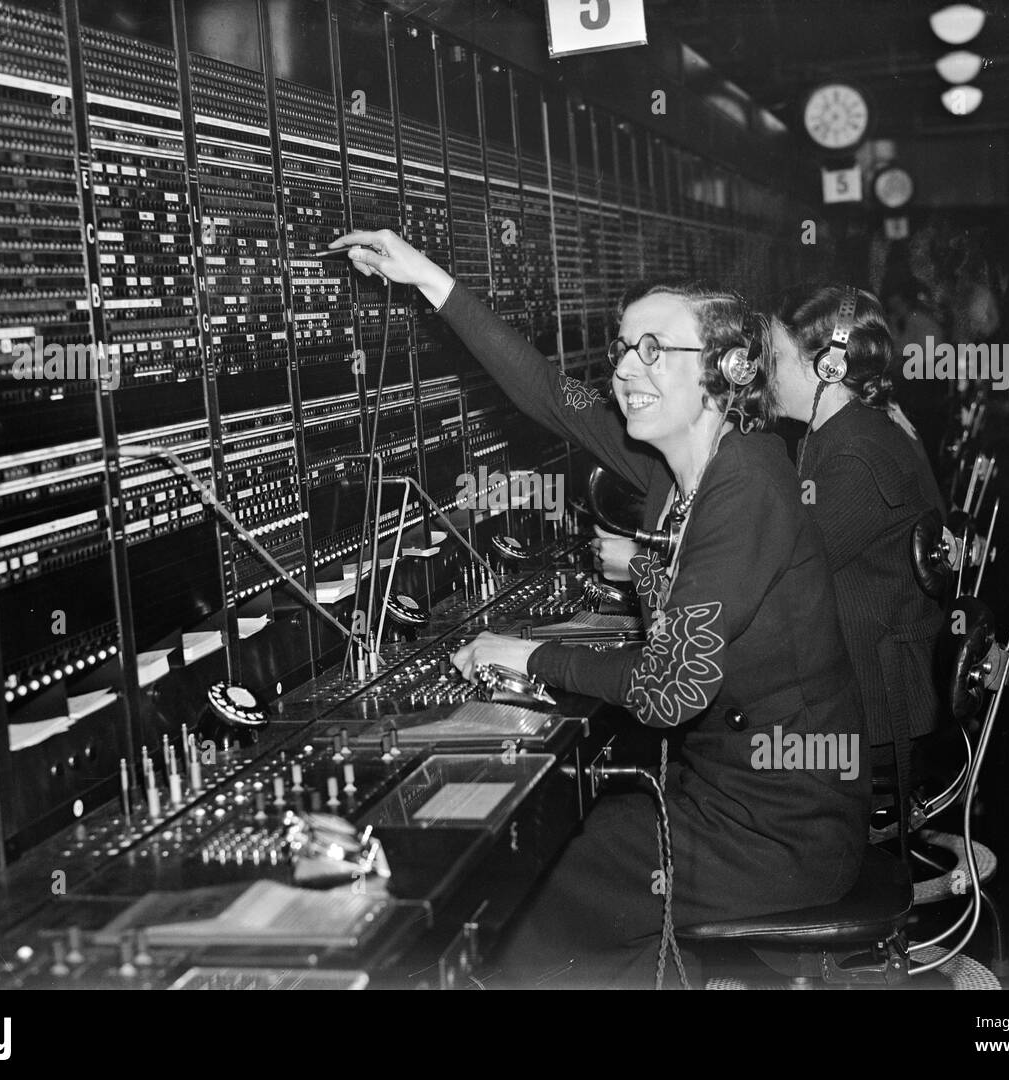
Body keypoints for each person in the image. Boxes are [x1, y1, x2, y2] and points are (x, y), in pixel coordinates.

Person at [329, 229, 870, 989]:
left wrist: (524, 655)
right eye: (623, 346)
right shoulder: (673, 464)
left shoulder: (747, 483)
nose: (624, 367)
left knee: (537, 894)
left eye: (655, 349)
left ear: (728, 370)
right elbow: (550, 392)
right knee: (572, 839)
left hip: (782, 831)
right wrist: (426, 279)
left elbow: (668, 688)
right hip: (730, 798)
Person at [768, 283, 948, 822]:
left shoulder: (855, 458)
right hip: (861, 688)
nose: (763, 373)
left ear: (827, 367)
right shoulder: (835, 435)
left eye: (776, 358)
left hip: (873, 719)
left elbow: (781, 574)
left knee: (727, 762)